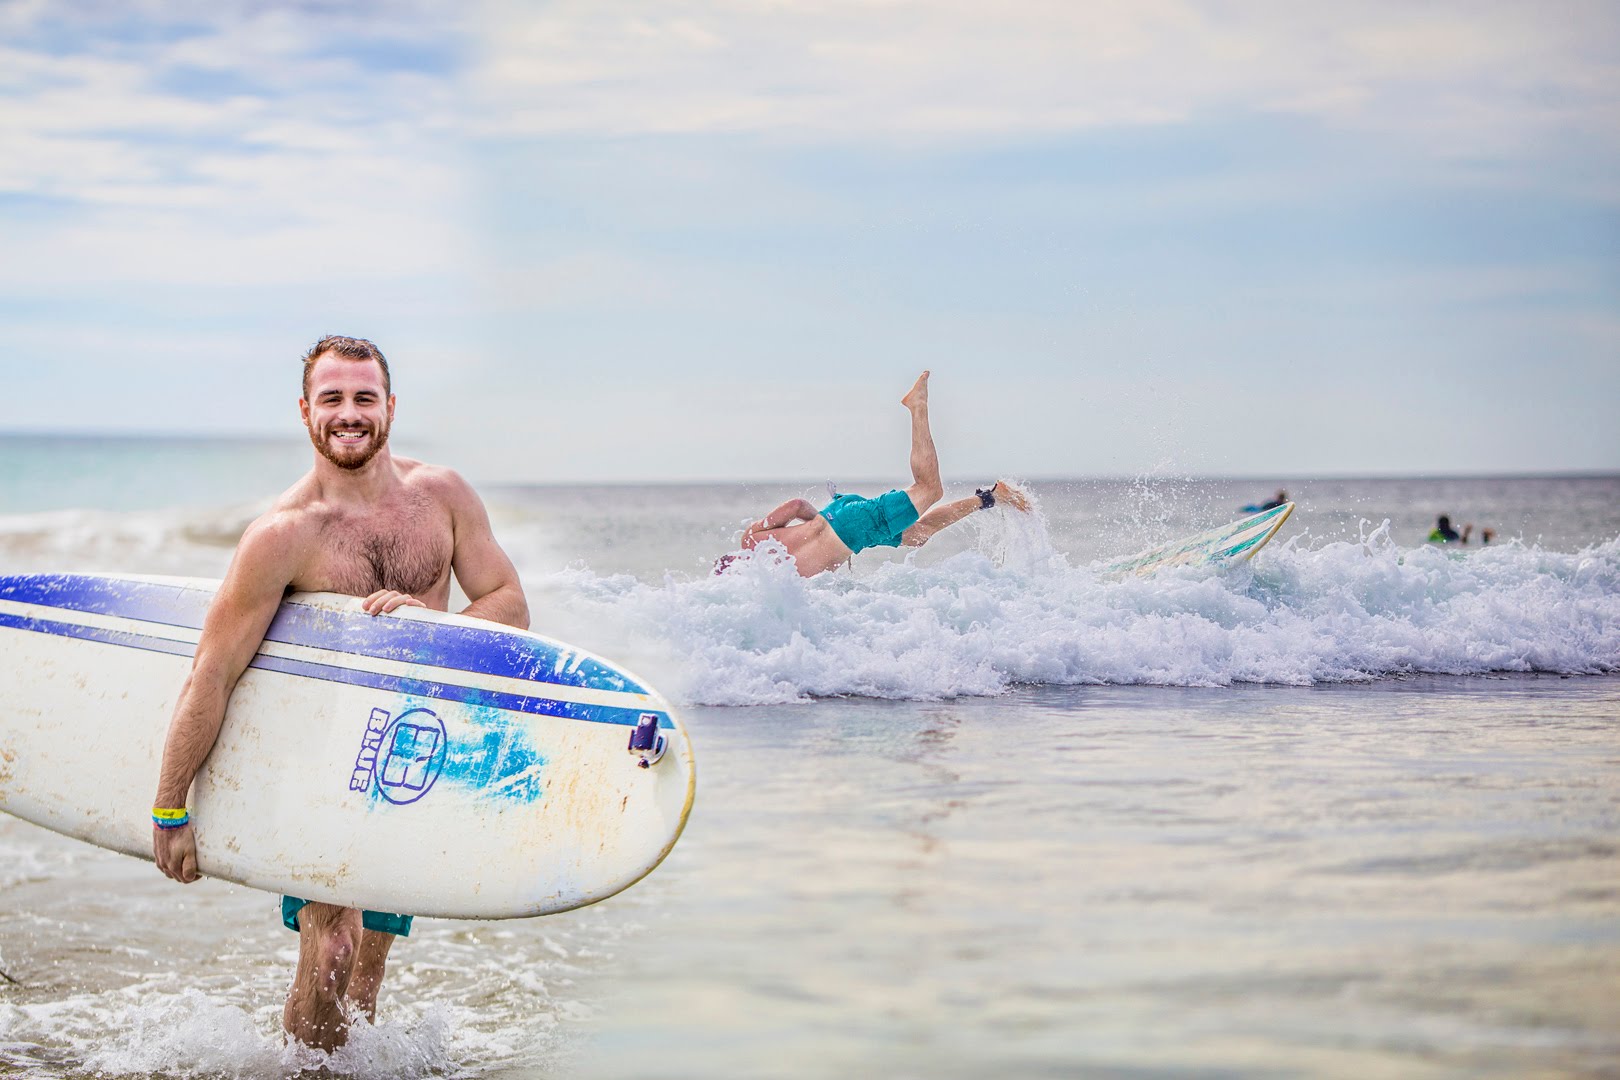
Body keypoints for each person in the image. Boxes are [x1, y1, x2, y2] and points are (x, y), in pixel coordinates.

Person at [150, 336, 528, 1051]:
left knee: (368, 971)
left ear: (389, 406)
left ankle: (338, 1070)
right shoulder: (284, 536)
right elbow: (213, 670)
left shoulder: (442, 497)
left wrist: (425, 626)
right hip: (325, 764)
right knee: (331, 953)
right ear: (305, 412)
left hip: (413, 755)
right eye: (332, 399)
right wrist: (171, 803)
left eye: (363, 397)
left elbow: (509, 602)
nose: (348, 413)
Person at [727, 372, 1030, 578]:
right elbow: (794, 506)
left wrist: (829, 533)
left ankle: (917, 406)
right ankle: (992, 496)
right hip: (845, 520)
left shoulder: (781, 582)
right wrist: (823, 521)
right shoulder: (751, 540)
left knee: (929, 489)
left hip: (852, 527)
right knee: (916, 536)